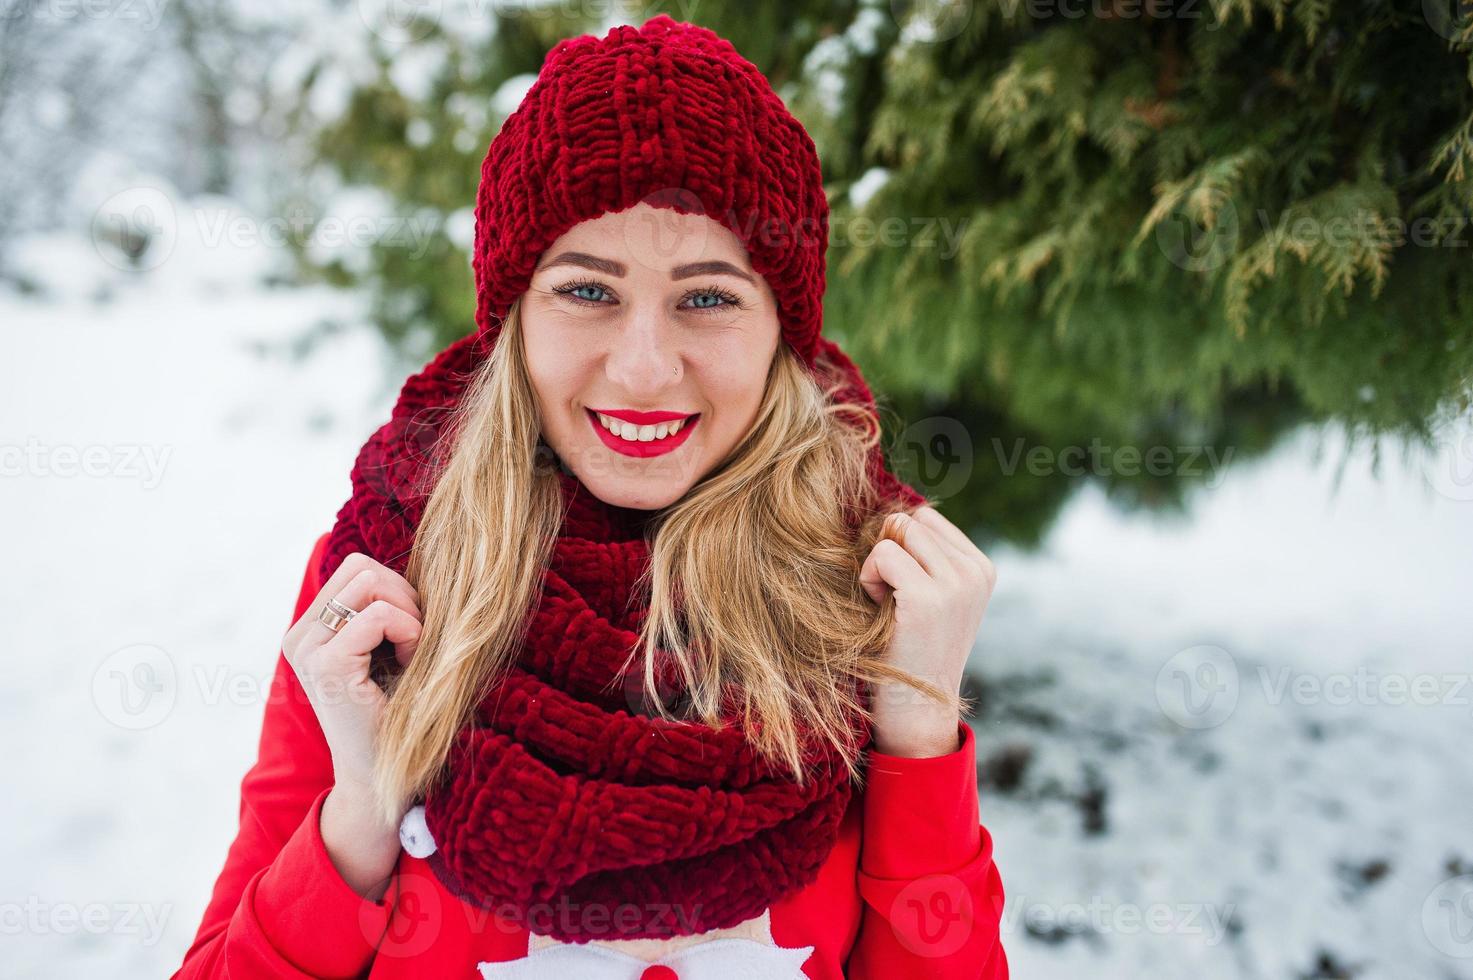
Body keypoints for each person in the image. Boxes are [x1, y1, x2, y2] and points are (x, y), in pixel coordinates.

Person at [172, 15, 1008, 979]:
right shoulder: (383, 587)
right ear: (513, 316)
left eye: (707, 296)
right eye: (585, 291)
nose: (645, 369)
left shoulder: (869, 589)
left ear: (781, 327)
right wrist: (360, 810)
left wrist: (918, 734)